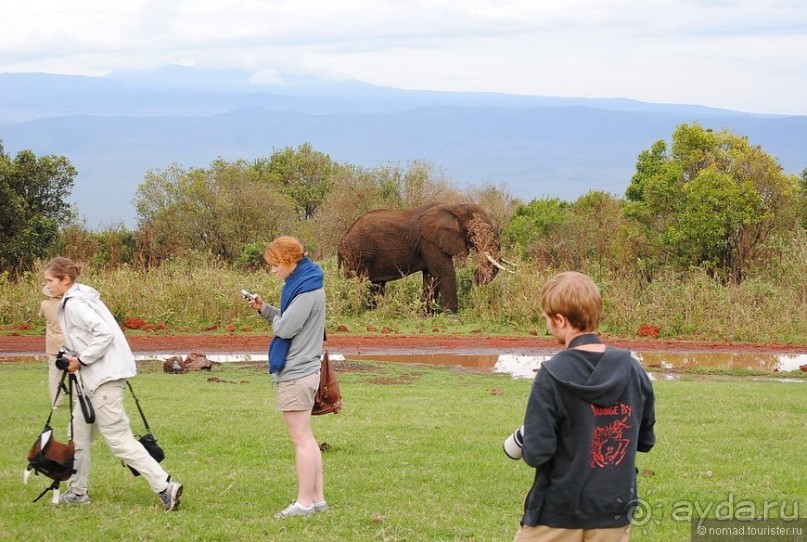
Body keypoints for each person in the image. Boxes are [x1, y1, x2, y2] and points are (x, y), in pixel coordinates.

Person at [511, 271, 655, 542]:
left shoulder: (551, 375)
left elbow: (537, 454)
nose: (547, 325)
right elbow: (645, 440)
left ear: (561, 320)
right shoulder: (633, 370)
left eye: (547, 319)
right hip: (613, 511)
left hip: (556, 514)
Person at [42, 257, 183, 511]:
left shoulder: (75, 304)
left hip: (103, 380)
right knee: (78, 436)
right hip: (94, 381)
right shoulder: (84, 296)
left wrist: (81, 359)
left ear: (65, 280)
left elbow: (103, 332)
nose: (48, 286)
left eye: (50, 281)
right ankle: (77, 491)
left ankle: (165, 485)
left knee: (119, 440)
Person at [245, 236, 328, 518]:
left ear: (290, 261)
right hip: (305, 369)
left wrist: (276, 320)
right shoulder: (306, 283)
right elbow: (290, 319)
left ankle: (304, 503)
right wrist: (265, 310)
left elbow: (286, 329)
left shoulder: (305, 289)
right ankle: (316, 500)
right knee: (306, 437)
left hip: (297, 371)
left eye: (275, 264)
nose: (273, 270)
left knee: (301, 439)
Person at [40, 284, 66, 407]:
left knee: (54, 372)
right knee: (74, 371)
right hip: (67, 342)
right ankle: (77, 398)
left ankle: (56, 402)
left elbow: (41, 315)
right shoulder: (66, 304)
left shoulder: (45, 304)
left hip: (52, 342)